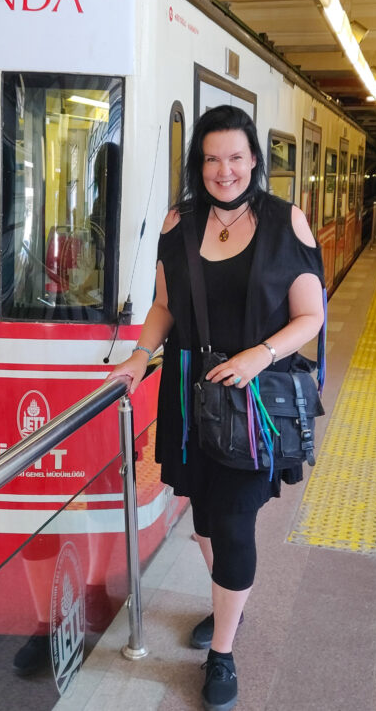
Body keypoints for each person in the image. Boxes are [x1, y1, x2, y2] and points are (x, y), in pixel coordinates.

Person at [109, 105, 325, 711]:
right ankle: (226, 596)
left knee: (232, 525)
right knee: (202, 519)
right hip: (190, 395)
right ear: (198, 164)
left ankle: (223, 653)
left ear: (254, 159)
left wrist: (260, 354)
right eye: (211, 158)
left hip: (250, 401)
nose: (224, 170)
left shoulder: (287, 223)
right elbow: (164, 305)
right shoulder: (180, 223)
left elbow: (312, 315)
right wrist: (137, 357)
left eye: (235, 157)